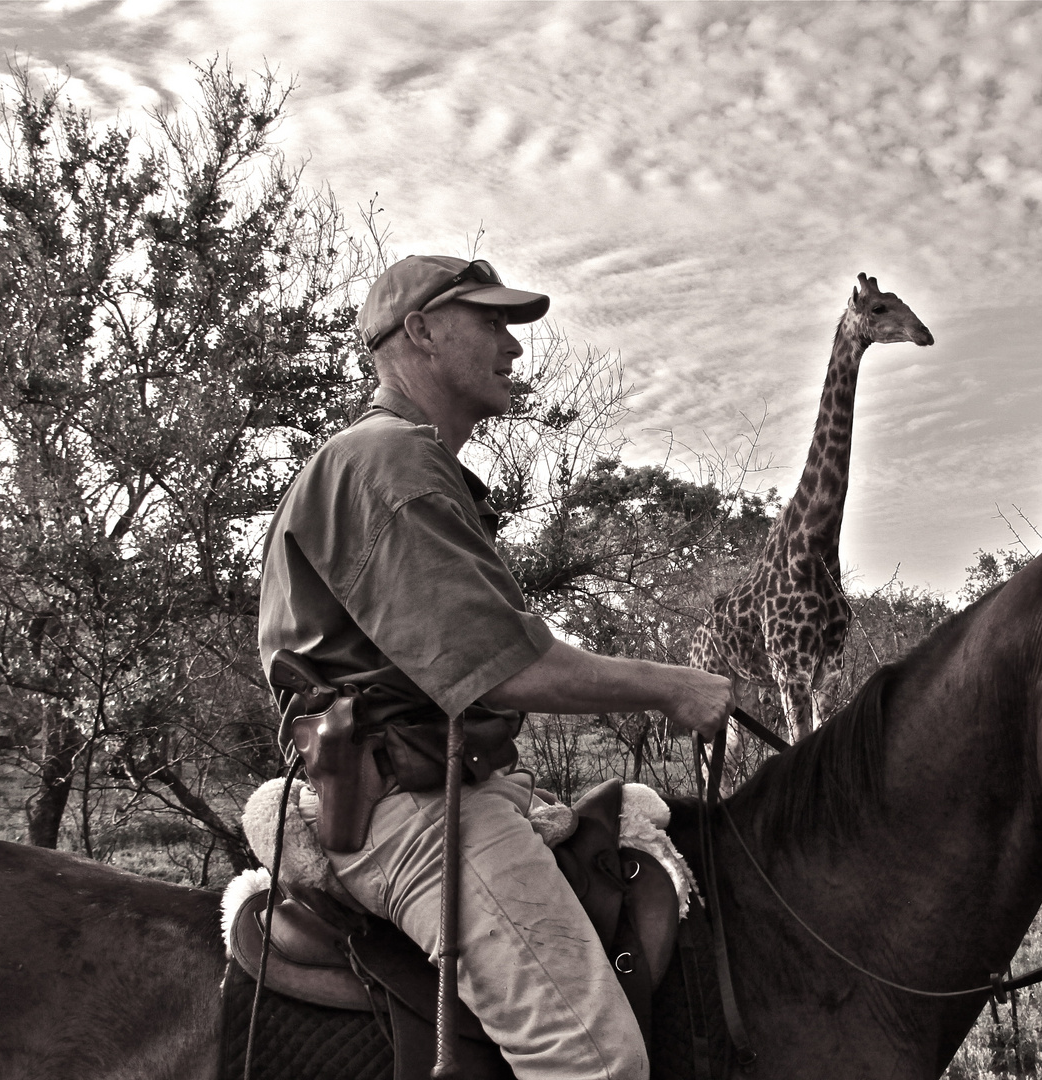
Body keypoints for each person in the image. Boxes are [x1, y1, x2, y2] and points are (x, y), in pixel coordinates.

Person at [257, 254, 734, 1080]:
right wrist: (671, 685)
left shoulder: (405, 461)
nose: (514, 347)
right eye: (492, 322)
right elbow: (499, 668)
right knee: (596, 1061)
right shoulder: (388, 462)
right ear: (420, 332)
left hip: (449, 782)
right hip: (411, 810)